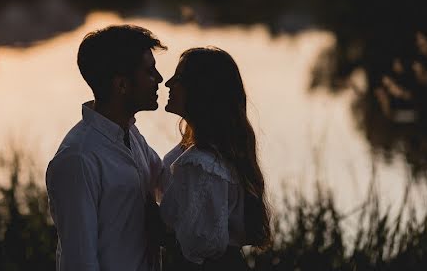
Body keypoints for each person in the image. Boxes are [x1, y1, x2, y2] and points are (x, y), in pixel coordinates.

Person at [46, 24, 168, 271]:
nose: (160, 79)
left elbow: (170, 180)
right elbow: (80, 260)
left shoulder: (130, 134)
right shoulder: (78, 159)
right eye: (149, 71)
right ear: (121, 85)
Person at [160, 47, 271, 270]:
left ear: (201, 90)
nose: (168, 83)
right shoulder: (208, 151)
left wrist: (150, 219)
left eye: (179, 78)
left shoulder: (203, 163)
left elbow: (198, 244)